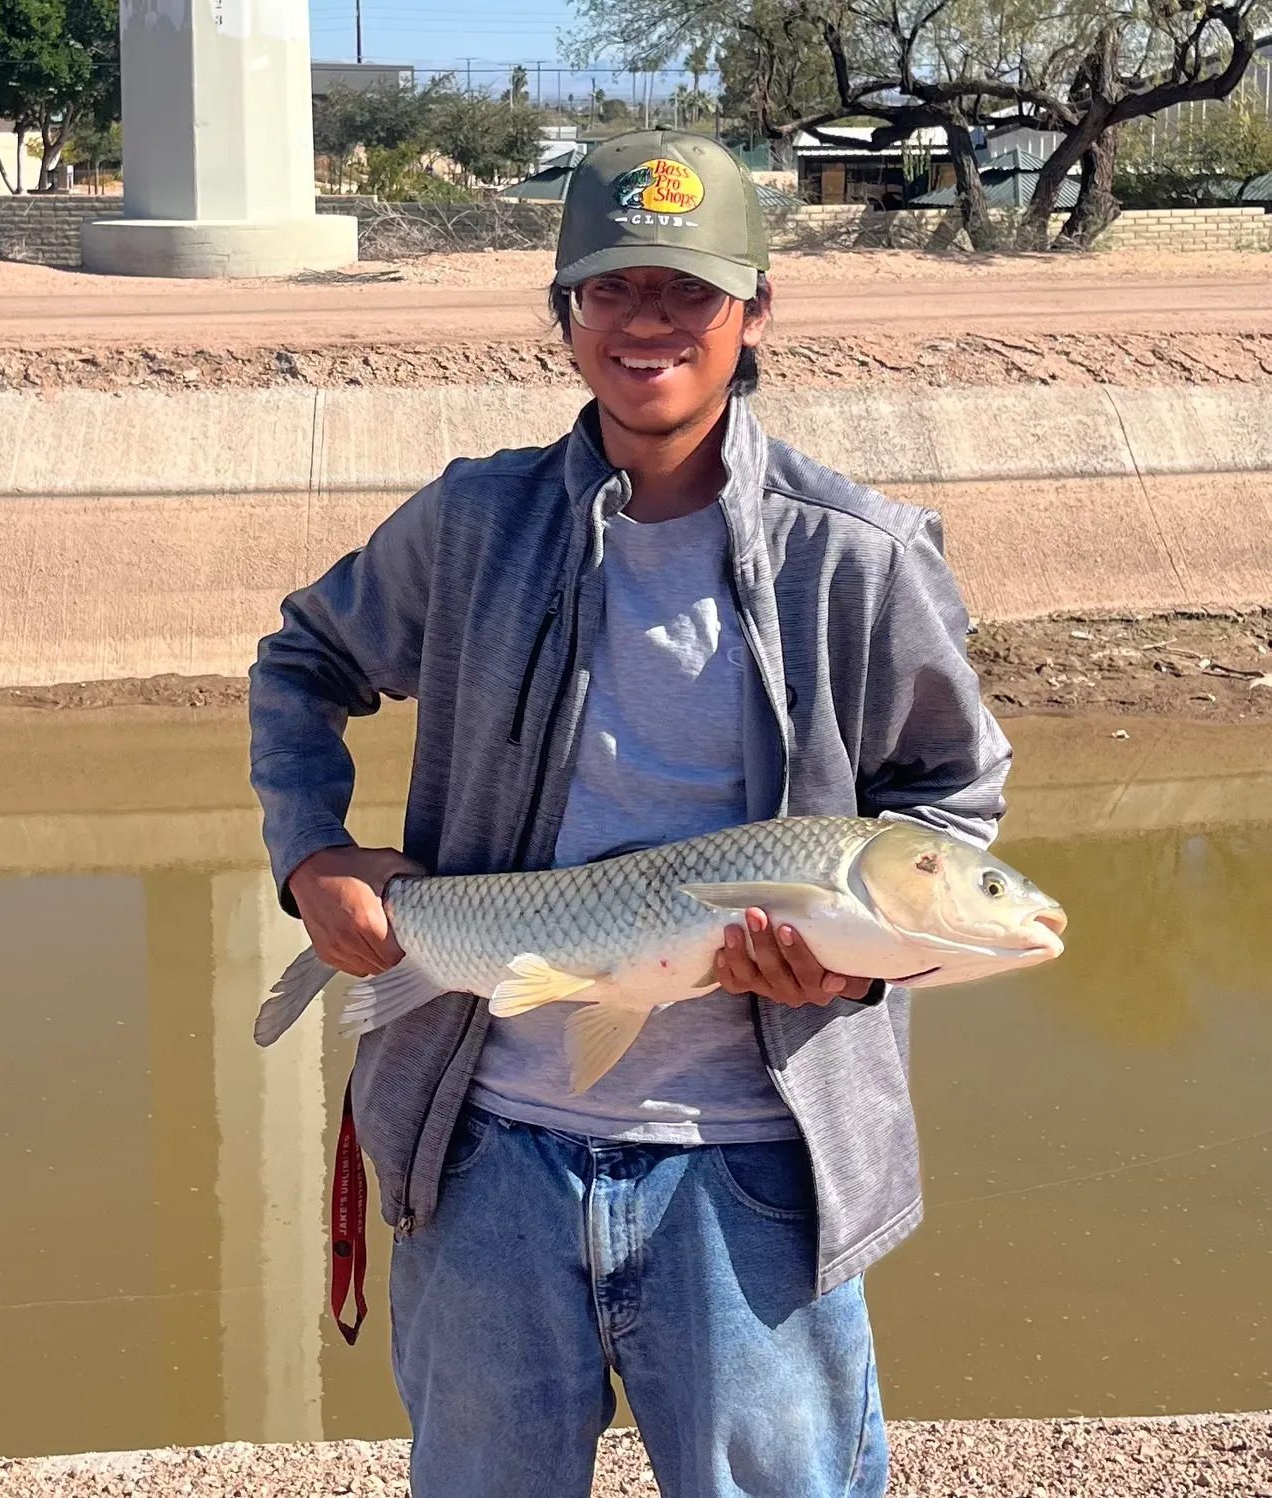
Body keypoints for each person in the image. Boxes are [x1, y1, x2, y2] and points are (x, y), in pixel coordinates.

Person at [250, 130, 1011, 1498]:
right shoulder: (473, 524)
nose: (647, 320)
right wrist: (310, 851)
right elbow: (302, 662)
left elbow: (950, 799)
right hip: (484, 1156)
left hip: (752, 1174)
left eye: (686, 290)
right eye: (610, 288)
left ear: (755, 310)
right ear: (564, 316)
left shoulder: (860, 556)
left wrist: (851, 964)